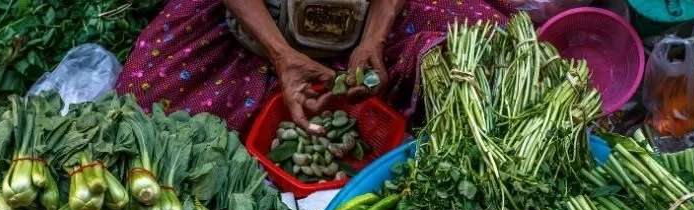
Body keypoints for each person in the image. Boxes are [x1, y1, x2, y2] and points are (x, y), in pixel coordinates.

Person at [116, 0, 514, 135]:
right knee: (141, 94)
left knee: (491, 42)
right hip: (261, 35)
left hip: (365, 25)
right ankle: (281, 78)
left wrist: (374, 38)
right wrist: (281, 55)